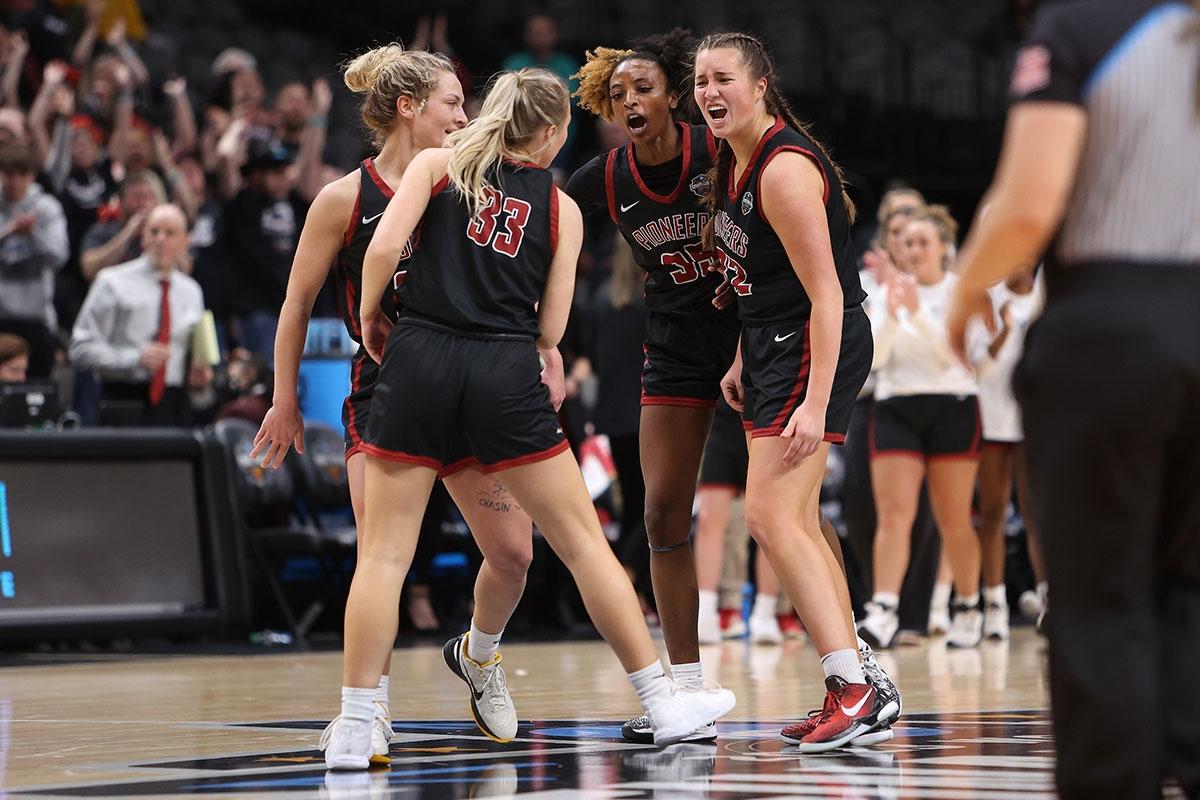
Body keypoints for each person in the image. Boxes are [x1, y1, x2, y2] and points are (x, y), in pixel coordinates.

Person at [322, 67, 735, 770]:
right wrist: (540, 351)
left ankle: (356, 730)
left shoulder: (434, 163)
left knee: (385, 556)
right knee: (581, 544)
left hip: (416, 354)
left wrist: (369, 317)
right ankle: (663, 704)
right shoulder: (562, 208)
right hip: (504, 367)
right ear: (551, 132)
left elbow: (384, 250)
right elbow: (552, 323)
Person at [250, 44, 547, 759]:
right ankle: (367, 709)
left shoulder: (469, 178)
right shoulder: (343, 198)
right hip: (389, 390)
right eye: (452, 102)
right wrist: (284, 398)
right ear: (409, 108)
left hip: (472, 388)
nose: (465, 116)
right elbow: (295, 305)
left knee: (513, 554)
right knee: (384, 555)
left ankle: (479, 655)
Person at [947, 2, 1200, 796]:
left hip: (1117, 328)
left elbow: (1029, 202)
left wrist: (965, 290)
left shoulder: (1084, 26)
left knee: (1100, 599)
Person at [694, 31, 896, 751]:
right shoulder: (736, 162)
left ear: (759, 85)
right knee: (798, 519)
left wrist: (814, 399)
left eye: (722, 79)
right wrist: (744, 354)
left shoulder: (781, 169)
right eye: (700, 82)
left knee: (772, 516)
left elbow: (829, 297)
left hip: (816, 345)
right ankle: (861, 677)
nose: (709, 93)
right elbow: (763, 284)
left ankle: (855, 686)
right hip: (777, 346)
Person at [568, 29, 738, 745]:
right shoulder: (604, 179)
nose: (629, 102)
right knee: (663, 518)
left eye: (642, 88)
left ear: (674, 93)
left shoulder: (720, 152)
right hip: (671, 347)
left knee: (779, 510)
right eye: (617, 95)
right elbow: (547, 229)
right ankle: (689, 692)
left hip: (747, 340)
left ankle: (849, 658)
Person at [858, 206, 985, 649]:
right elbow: (872, 359)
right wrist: (893, 314)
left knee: (953, 517)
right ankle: (884, 608)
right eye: (906, 243)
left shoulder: (959, 290)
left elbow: (956, 356)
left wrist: (921, 314)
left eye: (922, 242)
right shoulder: (882, 291)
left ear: (944, 249)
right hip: (896, 406)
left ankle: (968, 605)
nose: (913, 250)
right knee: (893, 515)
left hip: (953, 405)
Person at [69, 203, 211, 426]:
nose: (160, 239)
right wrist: (133, 359)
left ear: (186, 242)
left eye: (170, 233)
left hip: (173, 402)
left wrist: (199, 377)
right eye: (154, 231)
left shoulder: (191, 291)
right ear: (143, 237)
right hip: (122, 397)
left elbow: (193, 359)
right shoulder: (111, 282)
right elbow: (80, 349)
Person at [973, 262, 1044, 640]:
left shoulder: (1049, 294)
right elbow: (978, 367)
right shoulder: (988, 296)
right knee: (993, 510)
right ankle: (994, 602)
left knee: (1037, 512)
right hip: (994, 416)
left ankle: (1048, 597)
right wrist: (1003, 331)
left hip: (1036, 419)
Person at [0, 144, 68, 379]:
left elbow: (59, 257)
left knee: (37, 392)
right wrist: (8, 233)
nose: (15, 181)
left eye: (22, 175)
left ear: (32, 176)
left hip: (36, 317)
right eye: (9, 174)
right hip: (1, 316)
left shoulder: (47, 208)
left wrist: (33, 235)